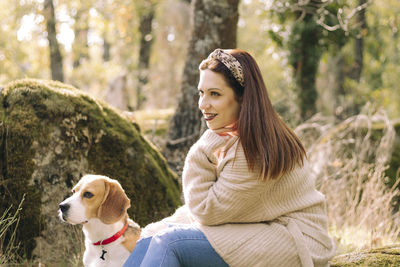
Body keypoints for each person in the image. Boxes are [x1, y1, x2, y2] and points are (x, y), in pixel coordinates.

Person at [123, 48, 336, 267]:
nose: (203, 104)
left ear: (242, 97)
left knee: (169, 242)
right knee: (151, 236)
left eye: (215, 94)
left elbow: (205, 211)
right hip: (261, 225)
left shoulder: (254, 148)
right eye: (201, 93)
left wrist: (205, 145)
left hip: (293, 238)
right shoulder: (241, 135)